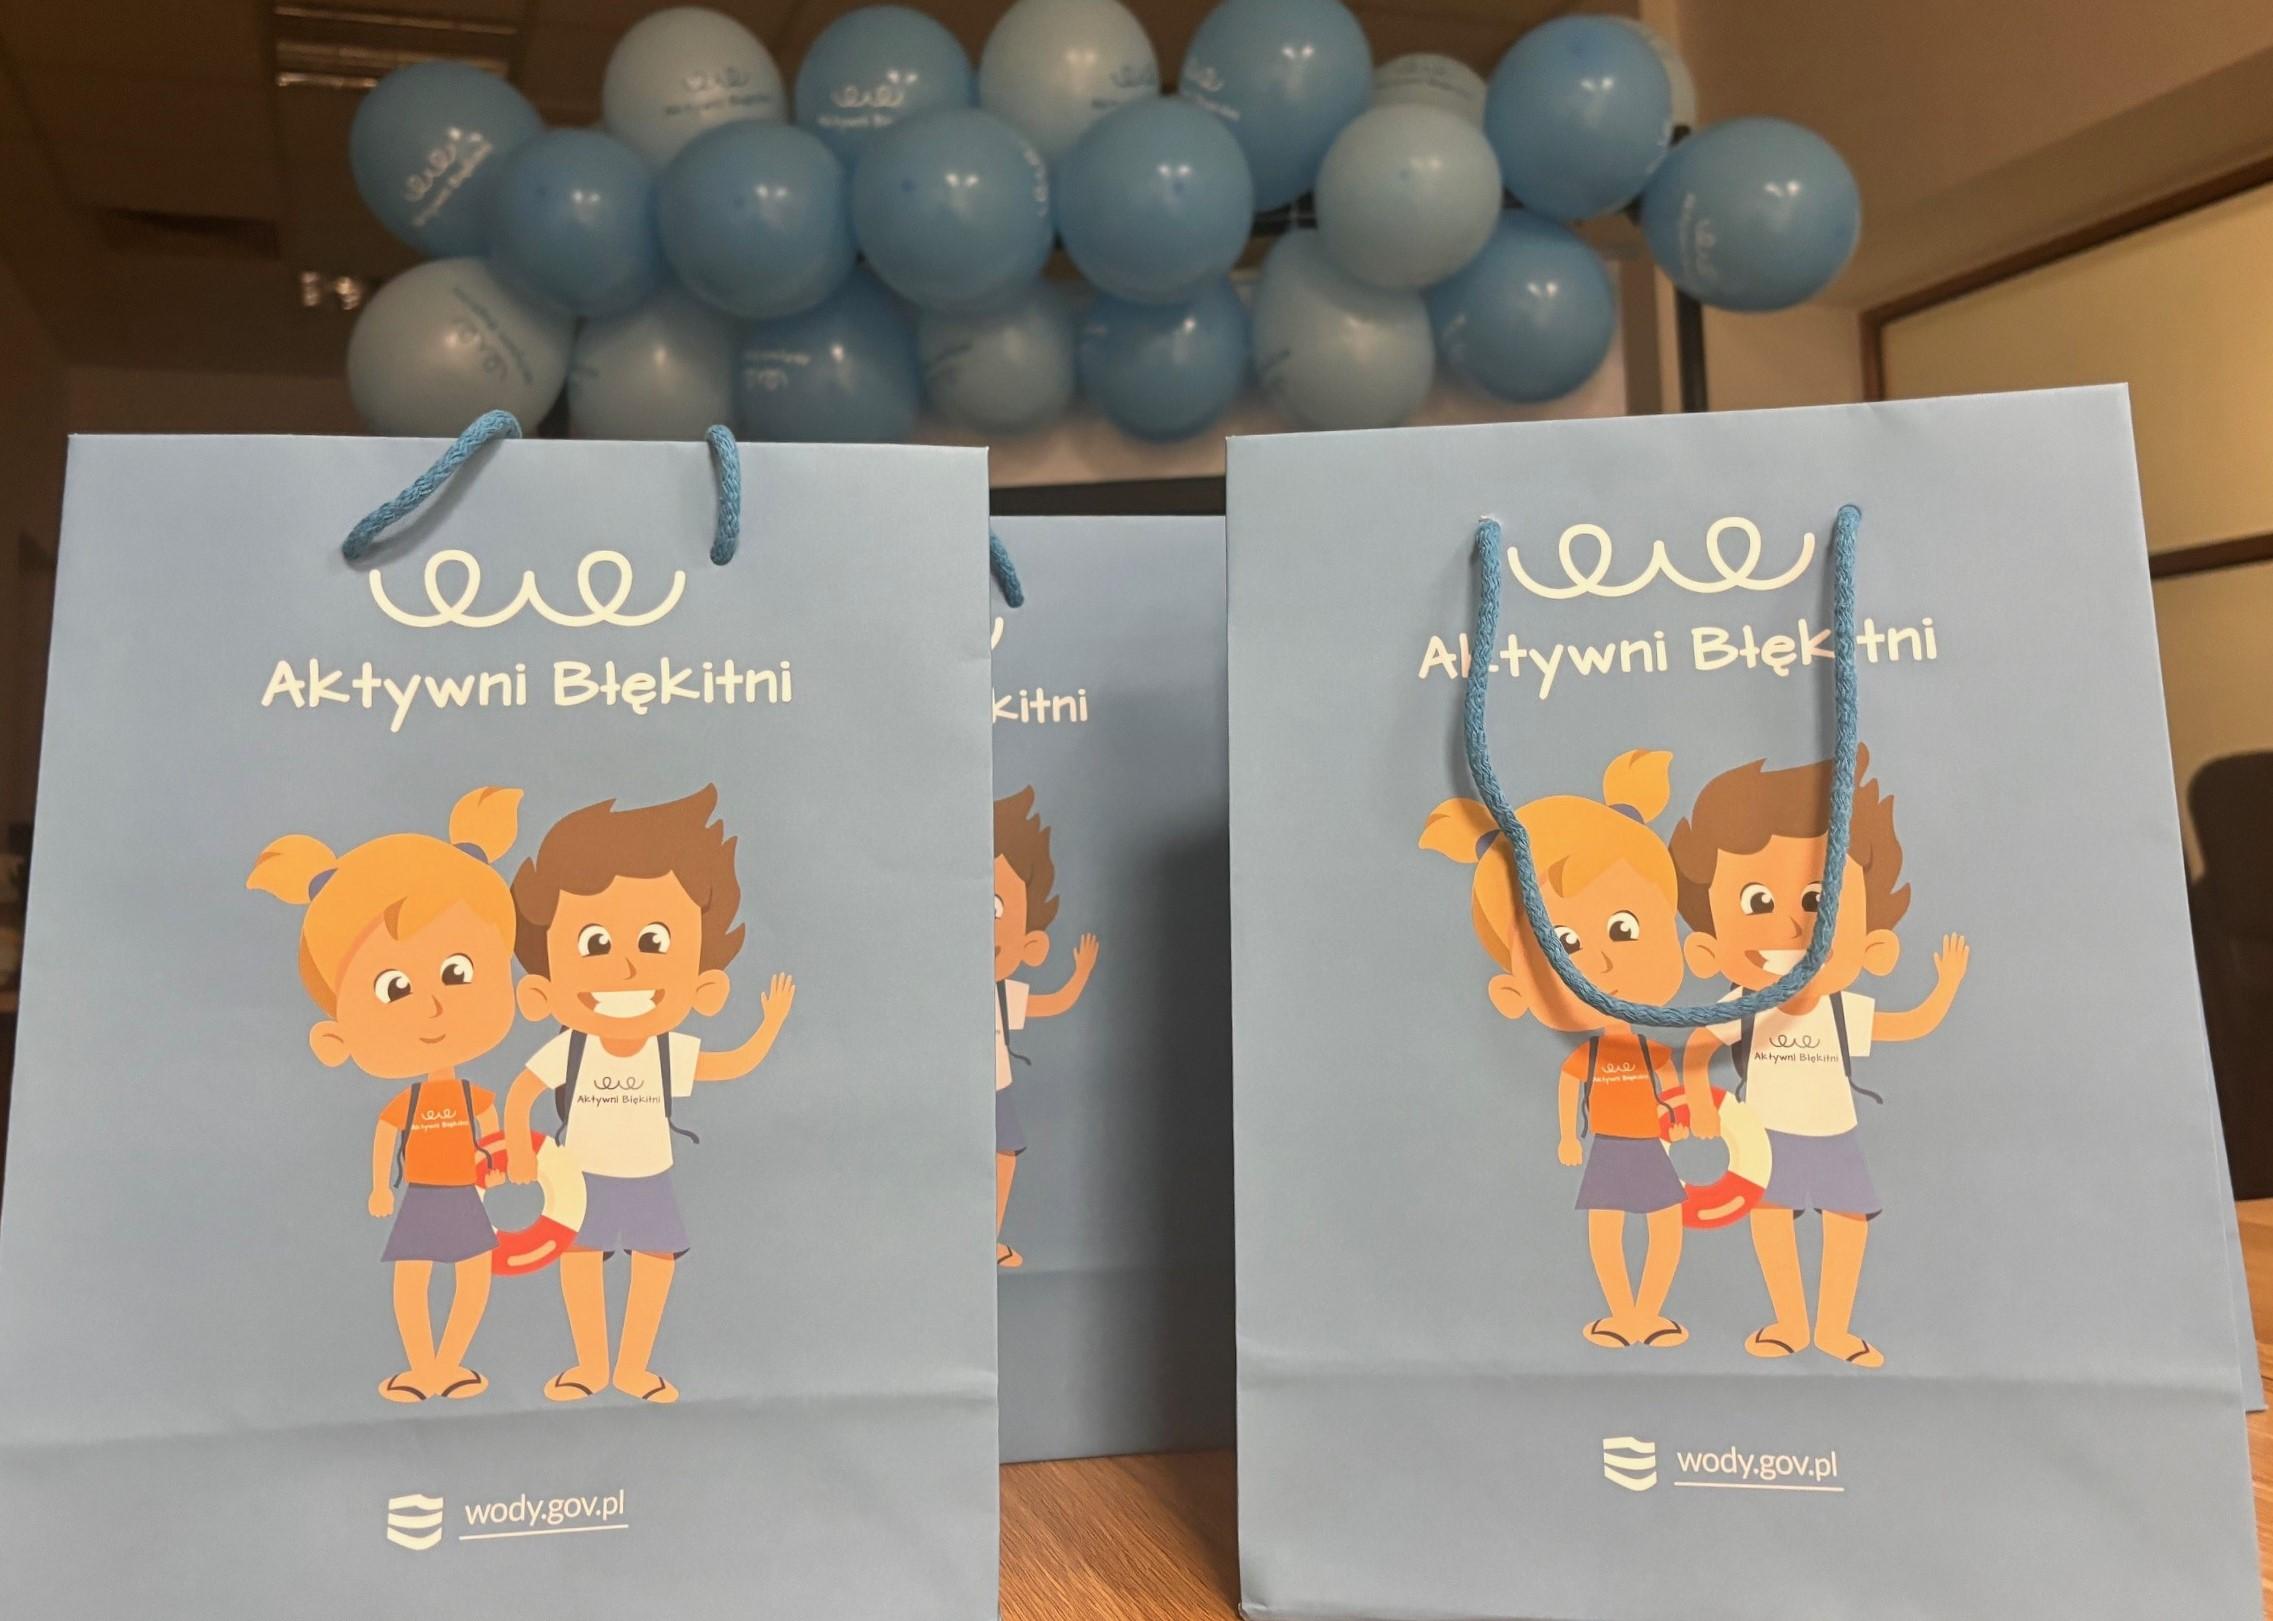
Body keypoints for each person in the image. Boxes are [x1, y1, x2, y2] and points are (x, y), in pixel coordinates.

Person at [1671, 746, 1969, 1368]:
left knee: (1846, 1222)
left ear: (1873, 942)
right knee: (1770, 1219)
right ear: (1708, 945)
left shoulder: (1838, 1008)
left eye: (1814, 902)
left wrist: (1944, 989)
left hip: (1835, 1134)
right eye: (1756, 902)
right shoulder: (1746, 1004)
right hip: (1764, 1136)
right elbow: (1699, 1042)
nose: (1788, 927)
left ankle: (1833, 1327)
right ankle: (1789, 1321)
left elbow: (1907, 1025)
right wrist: (1698, 1100)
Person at [502, 786, 795, 1403]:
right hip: (580, 1175)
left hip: (649, 1176)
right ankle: (590, 1365)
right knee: (579, 1260)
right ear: (543, 985)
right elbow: (523, 1089)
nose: (626, 968)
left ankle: (632, 1367)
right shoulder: (572, 1046)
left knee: (654, 1262)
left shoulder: (666, 1050)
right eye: (595, 944)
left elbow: (729, 1065)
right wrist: (519, 1150)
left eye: (654, 942)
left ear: (702, 982)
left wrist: (768, 1027)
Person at [248, 786, 523, 1403]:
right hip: (421, 1194)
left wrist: (501, 1161)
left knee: (474, 1274)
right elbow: (385, 1135)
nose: (432, 1006)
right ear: (337, 1035)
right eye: (394, 988)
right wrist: (379, 1186)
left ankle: (450, 1364)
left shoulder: (475, 1096)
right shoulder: (409, 1103)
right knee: (413, 1277)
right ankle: (421, 1367)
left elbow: (494, 1131)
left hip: (465, 1194)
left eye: (457, 973)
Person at [1422, 751, 1692, 1349]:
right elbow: (1572, 1084)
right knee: (1608, 1226)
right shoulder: (1591, 1057)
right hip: (1610, 1146)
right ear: (1512, 990)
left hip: (1651, 1144)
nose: (1601, 963)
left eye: (1624, 928)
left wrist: (1679, 1111)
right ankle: (1621, 1313)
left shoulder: (1653, 1048)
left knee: (1665, 1222)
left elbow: (1670, 1085)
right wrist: (1569, 1137)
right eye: (1563, 942)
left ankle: (1650, 1312)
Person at [992, 787, 1099, 1269]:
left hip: (997, 1087)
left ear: (1031, 944)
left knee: (1004, 1157)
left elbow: (1050, 1003)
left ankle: (988, 1238)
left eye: (997, 909)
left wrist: (1079, 976)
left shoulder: (1001, 993)